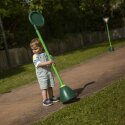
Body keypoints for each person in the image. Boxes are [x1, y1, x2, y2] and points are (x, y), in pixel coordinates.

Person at [30, 38, 59, 106]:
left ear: (41, 47)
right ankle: (45, 100)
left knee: (50, 86)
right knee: (44, 87)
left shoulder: (45, 54)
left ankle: (51, 97)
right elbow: (38, 64)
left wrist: (53, 62)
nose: (34, 51)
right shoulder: (35, 56)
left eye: (36, 49)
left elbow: (51, 59)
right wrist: (48, 62)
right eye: (33, 49)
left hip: (48, 73)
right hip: (42, 75)